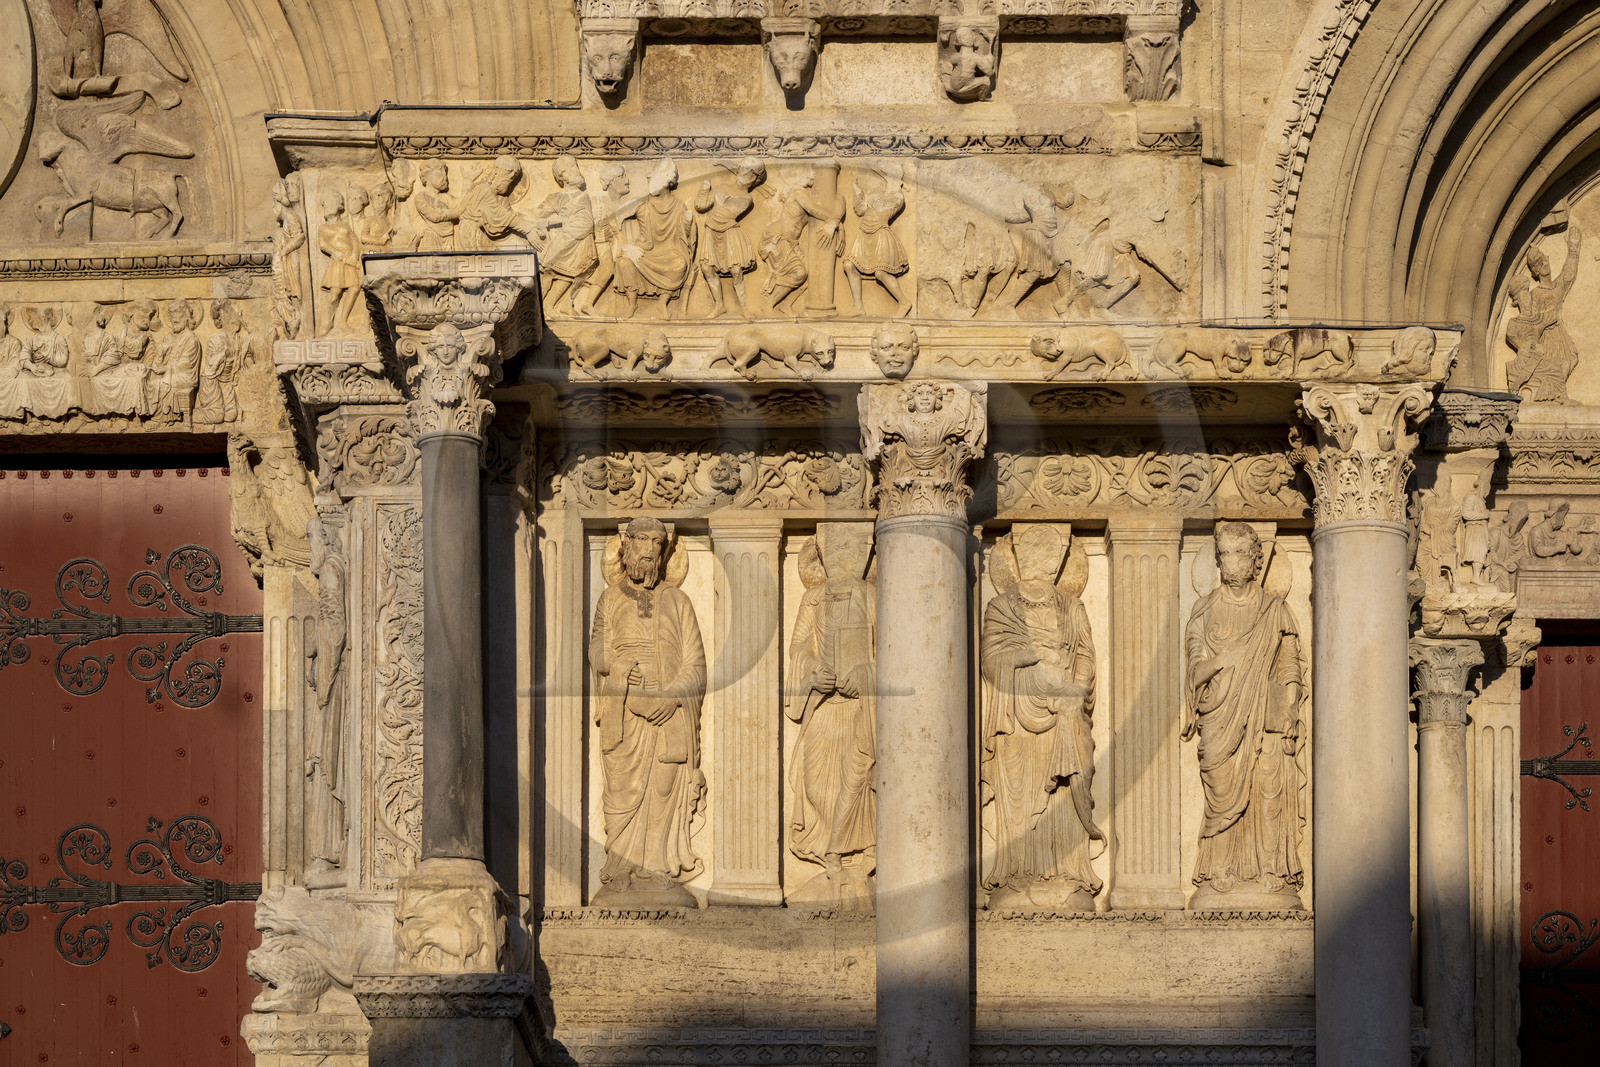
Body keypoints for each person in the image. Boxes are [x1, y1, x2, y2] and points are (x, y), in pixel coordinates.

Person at [1183, 523, 1306, 908]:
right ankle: (1220, 873)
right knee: (1220, 790)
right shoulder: (1204, 610)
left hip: (1267, 716)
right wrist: (1224, 660)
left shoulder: (1275, 609)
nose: (1232, 562)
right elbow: (1193, 670)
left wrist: (1289, 707)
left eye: (1240, 553)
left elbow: (1290, 665)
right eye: (1225, 554)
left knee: (1268, 790)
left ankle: (1272, 871)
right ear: (1218, 561)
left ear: (1257, 560)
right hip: (1220, 718)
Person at [980, 525, 1100, 909]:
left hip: (1063, 713)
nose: (1043, 561)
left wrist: (1074, 692)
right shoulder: (1000, 607)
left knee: (1062, 790)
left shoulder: (1072, 606)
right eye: (1034, 552)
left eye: (1051, 554)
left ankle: (1066, 873)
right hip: (1016, 717)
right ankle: (1016, 876)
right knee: (1019, 795)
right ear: (1019, 558)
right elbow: (990, 661)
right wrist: (1031, 656)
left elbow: (1085, 656)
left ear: (1060, 560)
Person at [588, 517, 706, 906]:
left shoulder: (678, 602)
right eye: (640, 541)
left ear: (664, 552)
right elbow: (597, 652)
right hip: (625, 710)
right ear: (626, 547)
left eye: (656, 544)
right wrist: (620, 667)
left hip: (668, 714)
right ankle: (621, 870)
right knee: (623, 790)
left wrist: (672, 696)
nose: (647, 551)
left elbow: (696, 663)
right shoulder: (610, 599)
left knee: (664, 789)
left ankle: (656, 867)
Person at [787, 525, 877, 909]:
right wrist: (812, 673)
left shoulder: (873, 595)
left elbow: (893, 646)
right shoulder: (813, 598)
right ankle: (827, 858)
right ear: (823, 553)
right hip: (823, 707)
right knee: (815, 784)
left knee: (858, 781)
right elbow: (798, 647)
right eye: (836, 547)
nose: (845, 553)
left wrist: (867, 673)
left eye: (853, 546)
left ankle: (849, 861)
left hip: (861, 709)